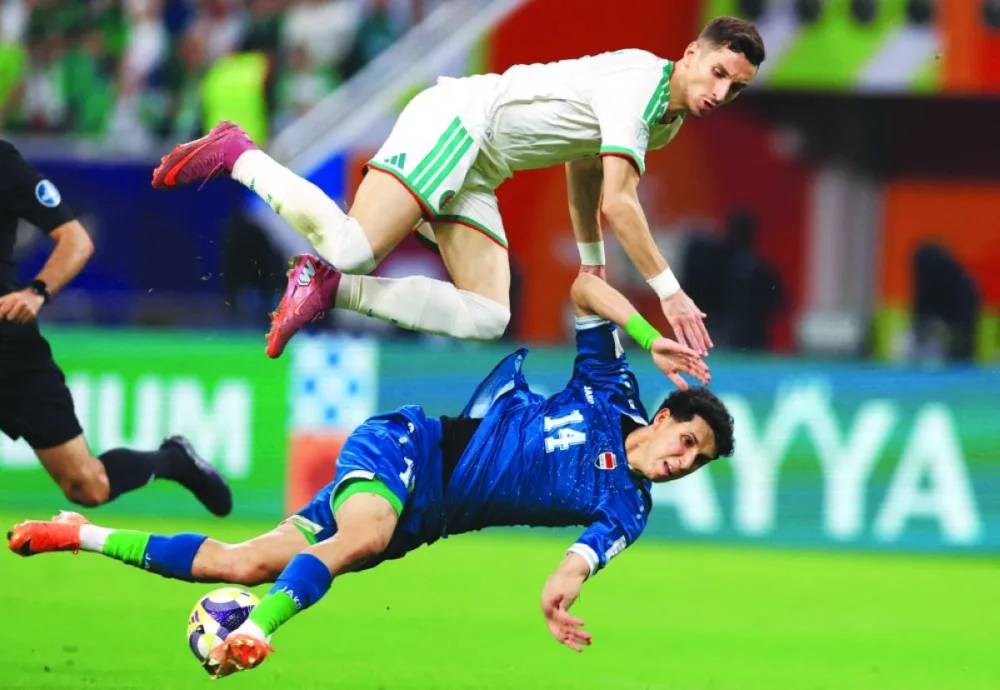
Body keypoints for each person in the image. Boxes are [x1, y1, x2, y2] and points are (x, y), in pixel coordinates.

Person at [8, 268, 734, 677]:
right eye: (688, 441)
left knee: (241, 563)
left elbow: (581, 559)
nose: (683, 462)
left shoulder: (629, 508)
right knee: (358, 535)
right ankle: (258, 628)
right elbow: (582, 286)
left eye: (697, 461)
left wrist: (559, 589)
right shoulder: (611, 390)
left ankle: (79, 534)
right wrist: (649, 335)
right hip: (411, 447)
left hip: (422, 518)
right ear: (666, 414)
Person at [150, 16, 765, 358]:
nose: (720, 92)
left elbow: (583, 164)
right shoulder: (640, 88)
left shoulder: (665, 121)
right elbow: (619, 202)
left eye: (735, 87)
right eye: (717, 72)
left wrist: (590, 262)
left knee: (488, 315)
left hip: (480, 169)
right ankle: (237, 153)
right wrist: (670, 294)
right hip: (460, 124)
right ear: (691, 53)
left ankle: (329, 290)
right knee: (352, 245)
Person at [0, 138, 232, 516]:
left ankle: (174, 460)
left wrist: (37, 292)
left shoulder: (4, 162)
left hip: (8, 349)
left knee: (87, 485)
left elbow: (76, 240)